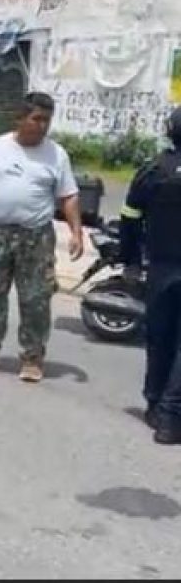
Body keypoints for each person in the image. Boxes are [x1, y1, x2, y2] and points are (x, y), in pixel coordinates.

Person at [0, 92, 84, 383]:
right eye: (36, 118)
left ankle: (33, 358)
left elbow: (69, 196)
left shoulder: (56, 154)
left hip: (36, 237)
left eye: (47, 120)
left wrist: (76, 232)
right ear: (19, 118)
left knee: (36, 298)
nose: (42, 125)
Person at [117, 107, 181, 444]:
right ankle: (171, 419)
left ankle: (155, 403)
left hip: (161, 268)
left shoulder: (154, 171)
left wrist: (129, 261)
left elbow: (129, 217)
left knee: (159, 338)